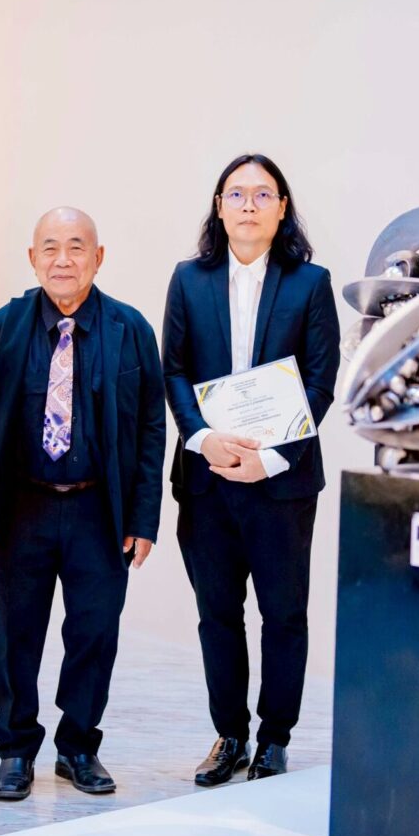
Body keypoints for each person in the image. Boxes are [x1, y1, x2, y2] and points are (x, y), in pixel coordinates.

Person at [0, 207, 166, 801]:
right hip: (20, 509)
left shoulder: (131, 328)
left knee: (94, 633)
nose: (62, 259)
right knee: (14, 635)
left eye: (76, 247)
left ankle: (78, 746)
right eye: (49, 247)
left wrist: (143, 517)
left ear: (97, 258)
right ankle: (15, 750)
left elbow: (152, 429)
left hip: (98, 511)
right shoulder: (5, 326)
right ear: (33, 259)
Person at [161, 154, 340, 785]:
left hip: (282, 482)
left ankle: (274, 739)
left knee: (284, 615)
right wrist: (203, 438)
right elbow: (174, 369)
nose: (248, 205)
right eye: (236, 194)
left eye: (263, 194)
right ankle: (230, 735)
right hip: (206, 479)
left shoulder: (309, 283)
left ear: (282, 208)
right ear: (219, 207)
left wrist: (271, 457)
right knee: (217, 614)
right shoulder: (189, 280)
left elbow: (321, 381)